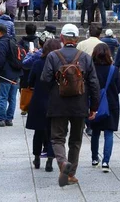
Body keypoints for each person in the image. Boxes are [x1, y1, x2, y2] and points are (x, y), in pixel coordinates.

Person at [41, 24, 100, 187]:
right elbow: (94, 83)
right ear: (77, 39)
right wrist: (94, 106)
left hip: (58, 104)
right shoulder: (85, 57)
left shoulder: (53, 56)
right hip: (79, 105)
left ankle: (62, 162)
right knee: (75, 140)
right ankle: (71, 174)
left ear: (61, 38)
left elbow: (45, 79)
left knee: (57, 138)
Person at [26, 38, 62, 172]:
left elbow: (30, 82)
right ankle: (50, 160)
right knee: (53, 132)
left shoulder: (37, 63)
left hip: (38, 100)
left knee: (38, 131)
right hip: (55, 100)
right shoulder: (60, 64)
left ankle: (36, 157)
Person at [89, 44, 120, 172]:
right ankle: (106, 161)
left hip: (95, 104)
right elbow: (118, 88)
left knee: (95, 132)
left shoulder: (91, 69)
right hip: (111, 104)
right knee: (109, 133)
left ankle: (94, 158)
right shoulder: (113, 70)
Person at [0, 24, 22, 127]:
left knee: (3, 97)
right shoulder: (13, 41)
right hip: (16, 73)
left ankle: (0, 119)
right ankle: (9, 119)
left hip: (6, 74)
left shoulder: (1, 43)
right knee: (12, 98)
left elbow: (0, 60)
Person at [18, 23, 39, 115]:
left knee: (23, 87)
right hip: (36, 66)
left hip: (25, 67)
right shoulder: (38, 41)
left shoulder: (21, 42)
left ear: (26, 31)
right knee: (34, 86)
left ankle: (24, 106)